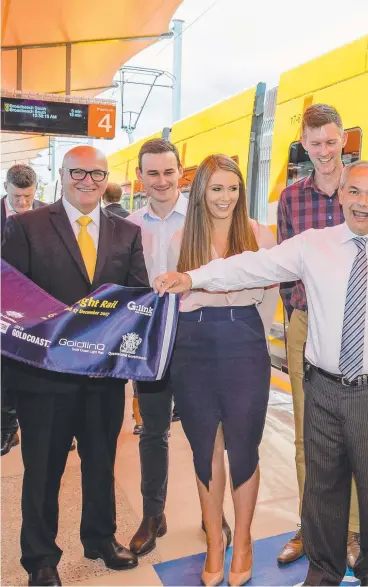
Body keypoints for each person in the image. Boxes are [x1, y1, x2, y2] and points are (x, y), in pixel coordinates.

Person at [154, 160, 368, 587]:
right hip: (323, 386)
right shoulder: (314, 244)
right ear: (342, 194)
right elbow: (247, 268)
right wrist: (191, 276)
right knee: (322, 490)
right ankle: (324, 573)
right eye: (355, 192)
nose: (363, 202)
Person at [2, 146, 149, 587]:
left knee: (101, 463)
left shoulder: (126, 233)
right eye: (78, 173)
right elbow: (11, 301)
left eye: (97, 174)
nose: (88, 181)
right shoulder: (25, 226)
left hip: (102, 378)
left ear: (107, 178)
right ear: (62, 175)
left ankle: (100, 538)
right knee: (43, 471)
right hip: (44, 380)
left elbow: (136, 297)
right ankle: (41, 558)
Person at [165, 154, 278, 586]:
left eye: (233, 188)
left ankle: (244, 541)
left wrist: (249, 332)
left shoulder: (258, 235)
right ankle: (215, 542)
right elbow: (169, 304)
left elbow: (269, 297)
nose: (225, 197)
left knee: (244, 449)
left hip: (244, 347)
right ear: (201, 193)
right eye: (217, 188)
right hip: (192, 350)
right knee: (203, 450)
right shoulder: (180, 239)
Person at [127, 139, 232, 557]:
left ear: (180, 172)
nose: (161, 181)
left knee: (205, 433)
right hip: (151, 344)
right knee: (152, 433)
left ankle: (213, 515)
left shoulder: (205, 219)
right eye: (152, 173)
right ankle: (154, 515)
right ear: (140, 176)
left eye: (168, 172)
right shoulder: (128, 225)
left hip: (196, 340)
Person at [277, 104, 360, 566]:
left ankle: (350, 531)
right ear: (304, 145)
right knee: (308, 432)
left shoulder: (364, 188)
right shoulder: (292, 198)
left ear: (343, 139)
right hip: (307, 324)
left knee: (355, 431)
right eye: (315, 144)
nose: (324, 152)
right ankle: (311, 525)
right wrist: (295, 312)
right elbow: (287, 265)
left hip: (360, 325)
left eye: (331, 142)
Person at [1, 164, 46, 457]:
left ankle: (49, 428)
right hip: (3, 309)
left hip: (37, 308)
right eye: (17, 196)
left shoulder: (47, 214)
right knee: (5, 372)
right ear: (6, 187)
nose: (23, 203)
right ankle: (7, 429)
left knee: (40, 369)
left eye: (28, 196)